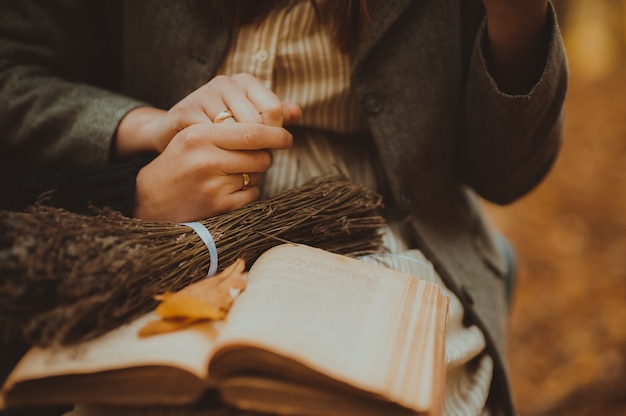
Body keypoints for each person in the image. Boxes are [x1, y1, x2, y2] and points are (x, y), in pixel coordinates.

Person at [0, 1, 568, 415]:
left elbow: (506, 174)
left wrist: (517, 18)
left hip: (384, 241)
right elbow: (14, 70)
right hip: (169, 230)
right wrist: (149, 127)